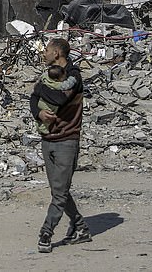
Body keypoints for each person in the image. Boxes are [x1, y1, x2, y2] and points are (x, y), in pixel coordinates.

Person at [29, 37, 92, 253]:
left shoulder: (73, 77)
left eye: (46, 50)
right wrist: (38, 112)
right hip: (48, 140)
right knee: (59, 191)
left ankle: (46, 233)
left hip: (67, 141)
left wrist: (39, 92)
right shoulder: (48, 75)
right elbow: (32, 99)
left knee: (59, 193)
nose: (43, 53)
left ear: (57, 53)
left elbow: (58, 99)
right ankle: (81, 227)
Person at [34, 64, 77, 135]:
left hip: (41, 101)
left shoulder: (45, 77)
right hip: (49, 106)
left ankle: (38, 125)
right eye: (63, 77)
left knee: (42, 117)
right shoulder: (56, 85)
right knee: (48, 118)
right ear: (57, 80)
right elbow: (67, 85)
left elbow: (40, 78)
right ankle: (44, 131)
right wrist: (73, 79)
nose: (65, 78)